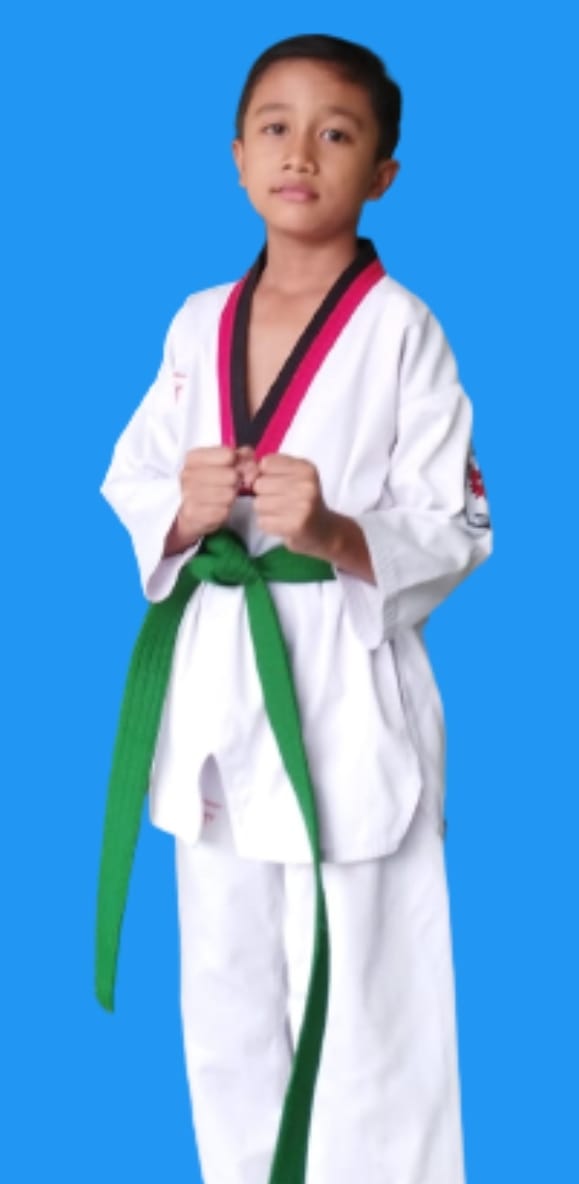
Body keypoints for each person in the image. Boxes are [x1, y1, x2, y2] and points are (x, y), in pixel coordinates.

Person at [96, 32, 492, 1184]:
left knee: (373, 1015)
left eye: (337, 132)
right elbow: (133, 473)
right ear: (236, 155)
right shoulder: (196, 321)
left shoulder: (405, 329)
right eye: (276, 127)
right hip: (217, 693)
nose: (301, 153)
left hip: (343, 698)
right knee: (225, 1009)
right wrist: (182, 509)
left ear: (383, 174)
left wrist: (336, 532)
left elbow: (459, 523)